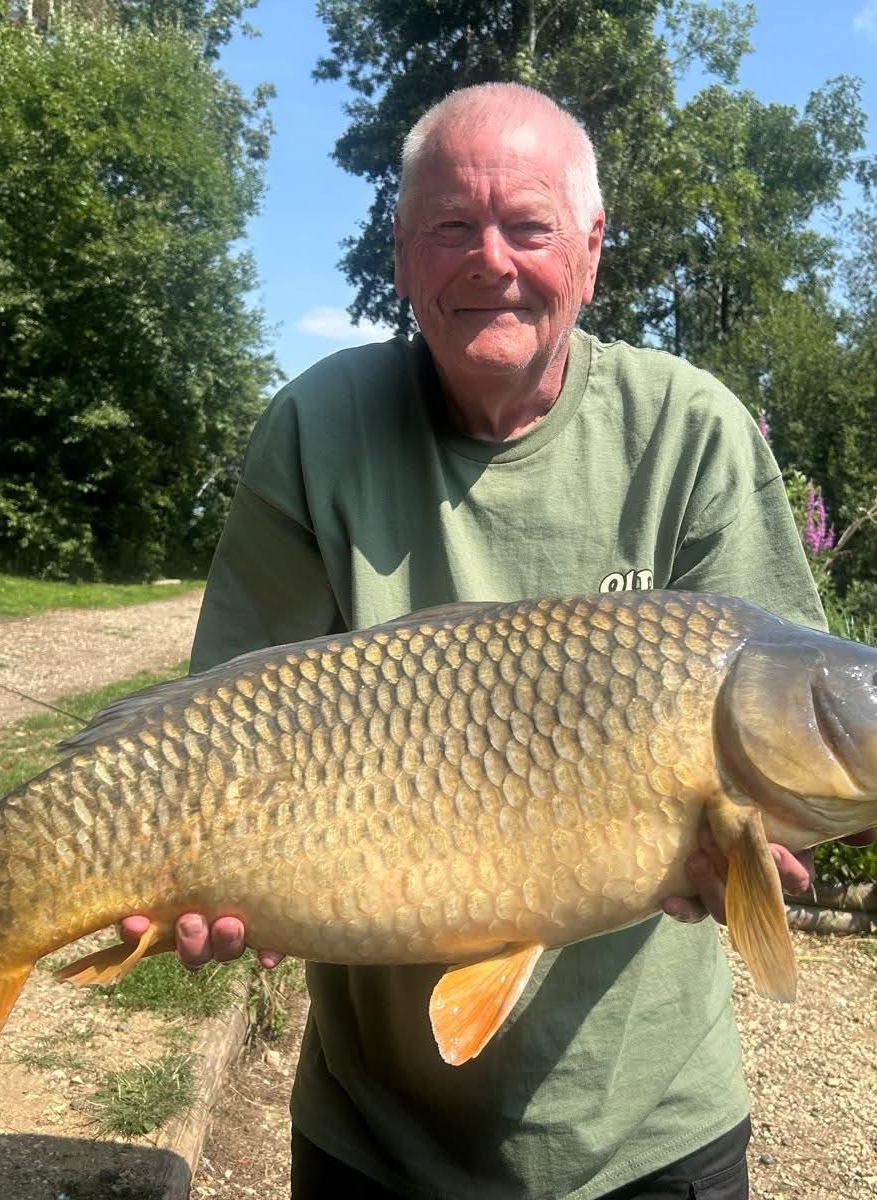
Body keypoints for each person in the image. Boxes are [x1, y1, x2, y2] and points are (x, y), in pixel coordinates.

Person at [122, 82, 827, 1199]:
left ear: (591, 251)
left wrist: (761, 855)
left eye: (528, 227)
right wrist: (191, 880)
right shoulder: (315, 429)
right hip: (373, 1130)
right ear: (401, 255)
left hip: (644, 1131)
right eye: (452, 228)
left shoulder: (691, 433)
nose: (489, 259)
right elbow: (213, 726)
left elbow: (792, 749)